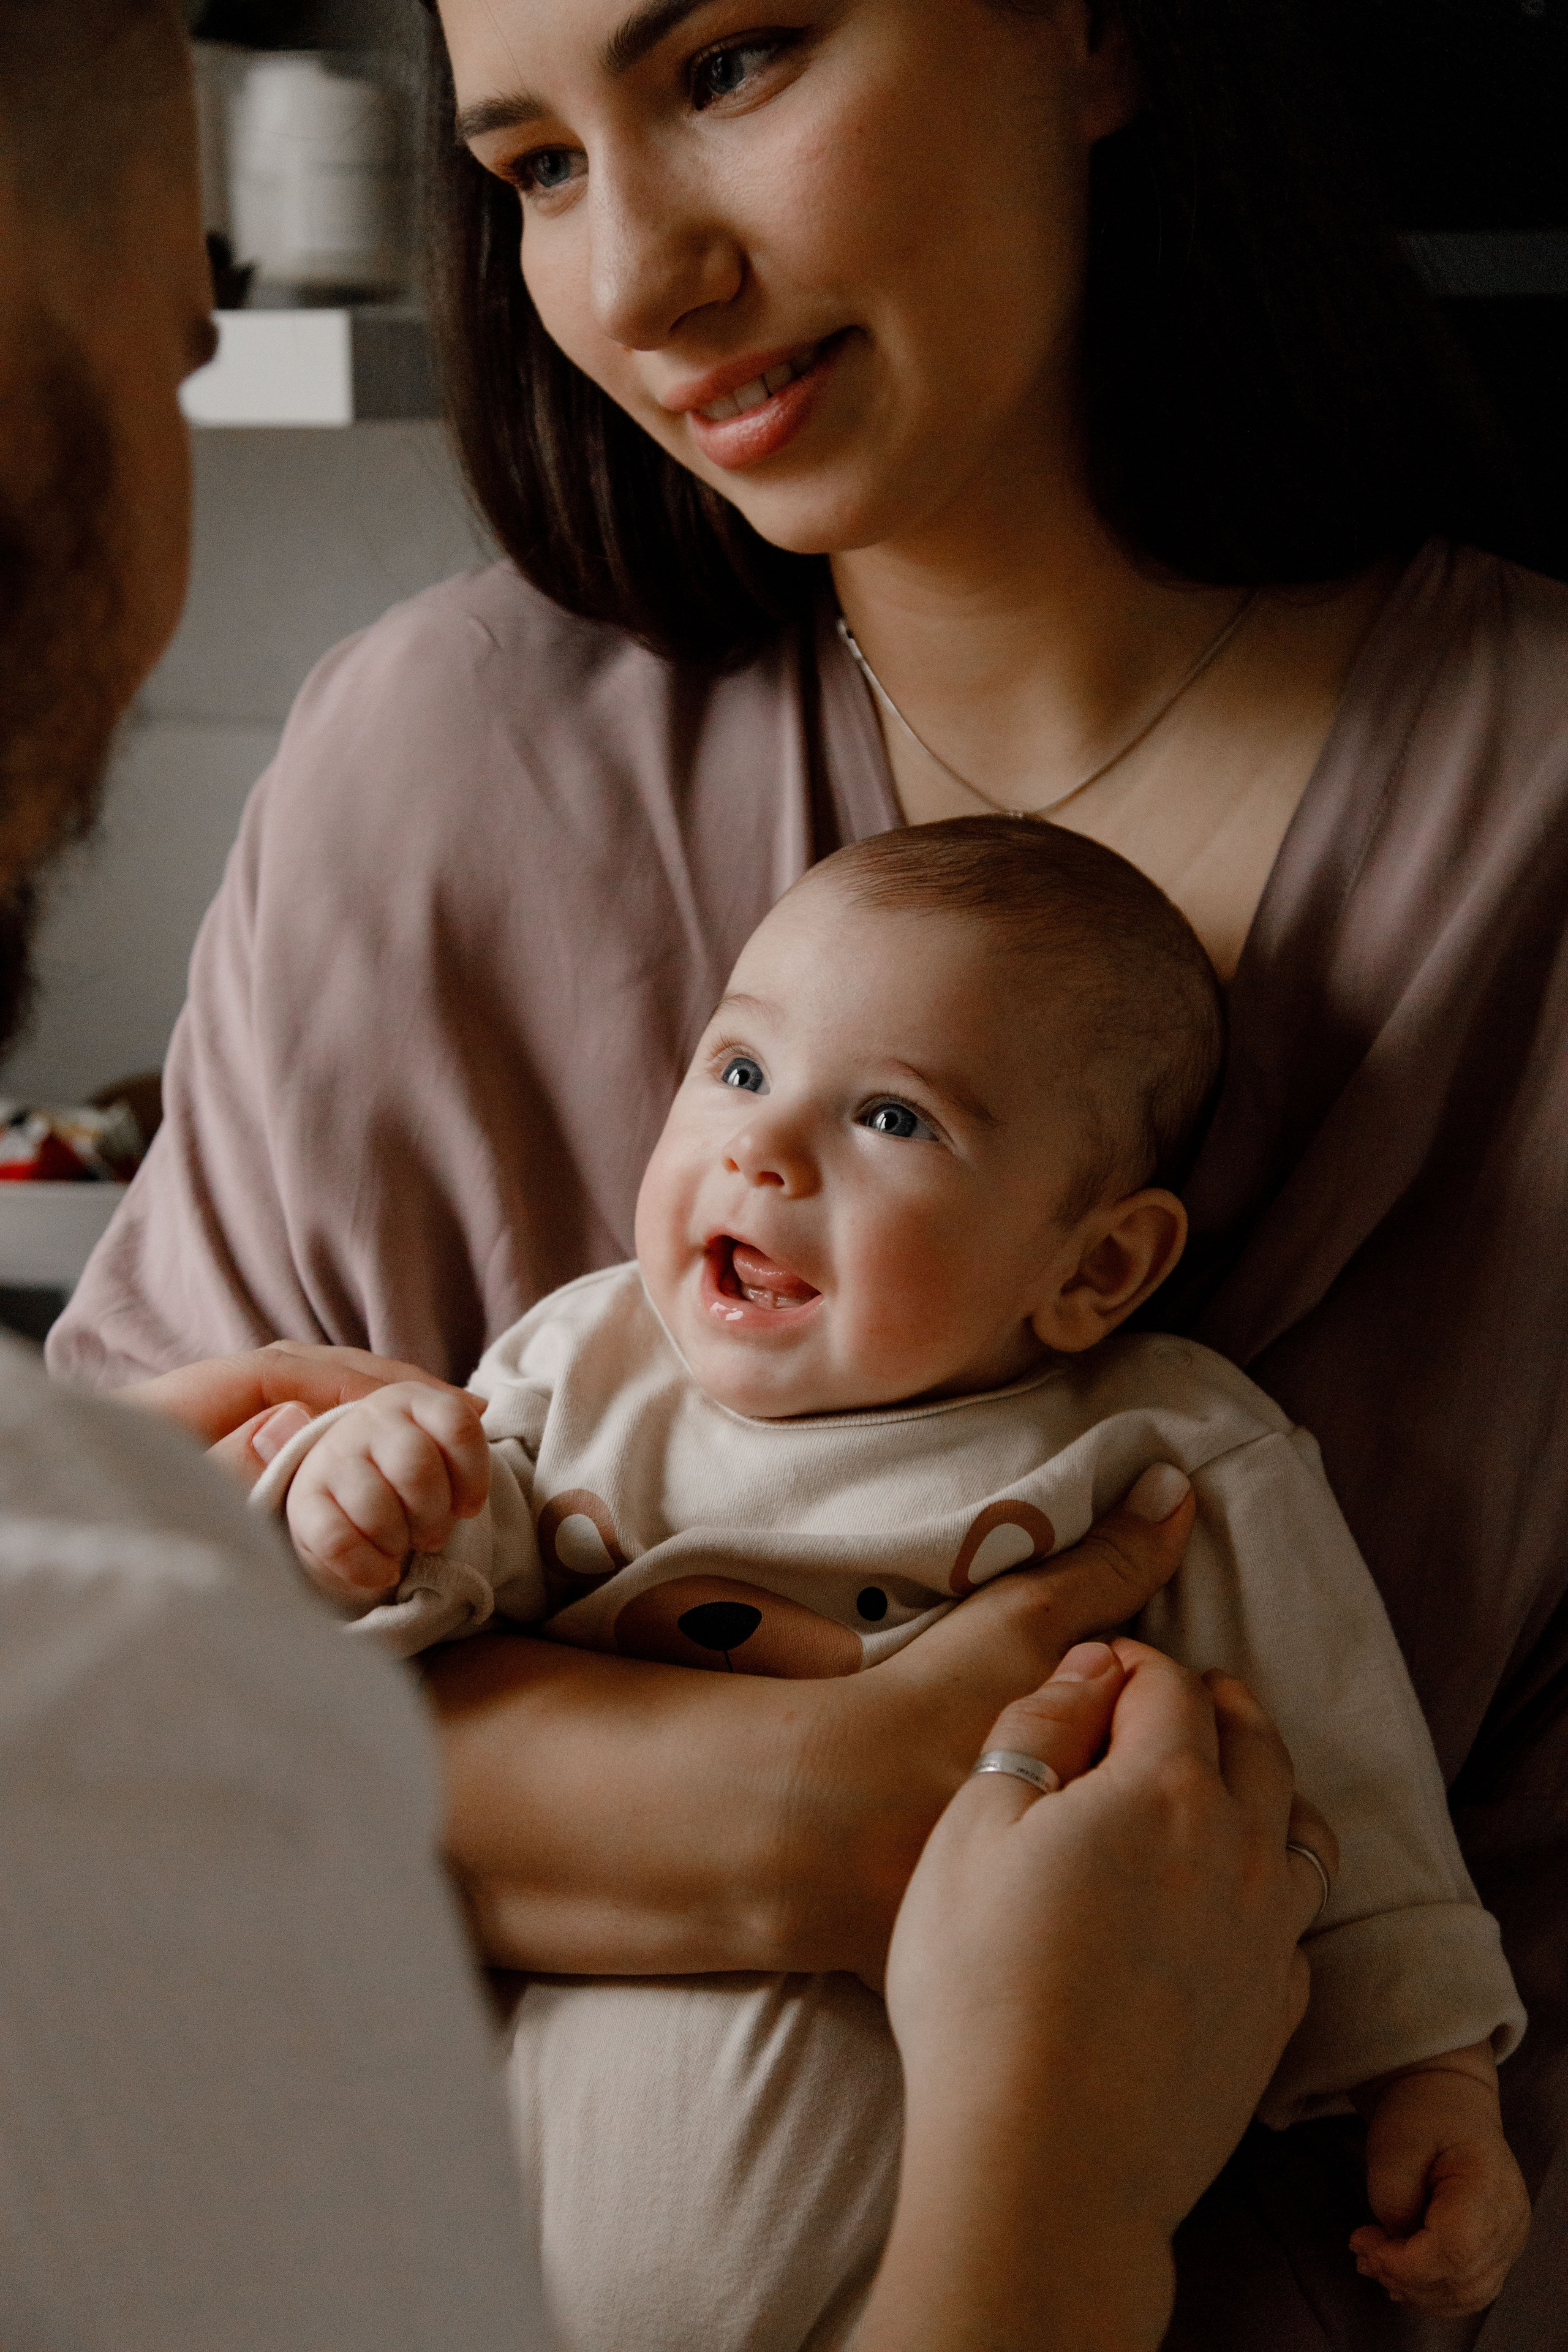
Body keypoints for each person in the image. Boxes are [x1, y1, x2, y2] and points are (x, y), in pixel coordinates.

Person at [47, 1, 1568, 2342]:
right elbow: (111, 1783)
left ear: (1091, 30)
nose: (638, 279)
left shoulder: (1531, 829)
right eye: (535, 166)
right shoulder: (426, 787)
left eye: (734, 63)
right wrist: (814, 1815)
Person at [244, 818, 1526, 2350]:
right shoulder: (582, 1366)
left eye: (892, 1120)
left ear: (1096, 1269)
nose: (762, 1148)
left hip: (919, 2248)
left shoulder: (1161, 1449)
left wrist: (1431, 2075)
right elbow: (410, 1603)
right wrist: (352, 1503)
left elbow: (1337, 1786)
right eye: (735, 1070)